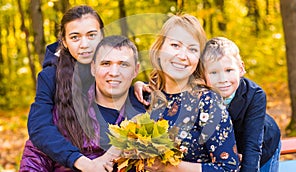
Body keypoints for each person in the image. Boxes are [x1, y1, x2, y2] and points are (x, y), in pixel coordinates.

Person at [20, 35, 146, 171]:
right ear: (93, 68)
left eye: (124, 64)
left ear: (136, 70)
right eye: (106, 63)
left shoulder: (150, 112)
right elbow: (34, 161)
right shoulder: (66, 112)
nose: (114, 72)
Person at [141, 14, 240, 172]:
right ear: (159, 49)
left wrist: (170, 167)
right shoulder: (145, 97)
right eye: (175, 45)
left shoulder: (207, 103)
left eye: (192, 49)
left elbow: (229, 168)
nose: (182, 56)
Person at [20, 5, 107, 171]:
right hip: (66, 162)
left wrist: (136, 87)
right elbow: (39, 127)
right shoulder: (50, 76)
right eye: (75, 37)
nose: (84, 44)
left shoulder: (116, 70)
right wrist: (79, 161)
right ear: (65, 42)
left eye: (91, 35)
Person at [200, 37, 281, 172]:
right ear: (203, 75)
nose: (223, 79)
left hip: (261, 144)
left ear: (241, 69)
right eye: (214, 72)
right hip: (225, 151)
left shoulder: (255, 94)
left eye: (229, 70)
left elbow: (253, 145)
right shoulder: (200, 96)